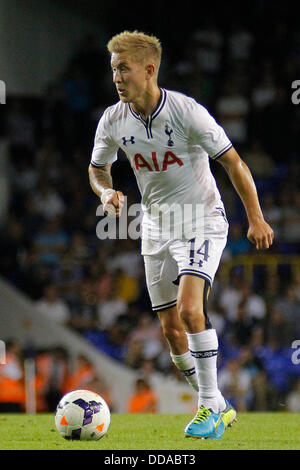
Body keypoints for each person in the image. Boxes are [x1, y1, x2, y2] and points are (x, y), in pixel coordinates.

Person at [88, 31, 274, 439]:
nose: (116, 77)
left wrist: (256, 218)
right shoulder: (113, 119)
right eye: (113, 69)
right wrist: (106, 192)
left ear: (149, 70)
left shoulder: (187, 112)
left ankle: (208, 407)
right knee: (172, 333)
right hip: (154, 227)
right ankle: (219, 404)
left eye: (124, 68)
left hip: (201, 219)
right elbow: (97, 167)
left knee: (192, 311)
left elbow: (234, 162)